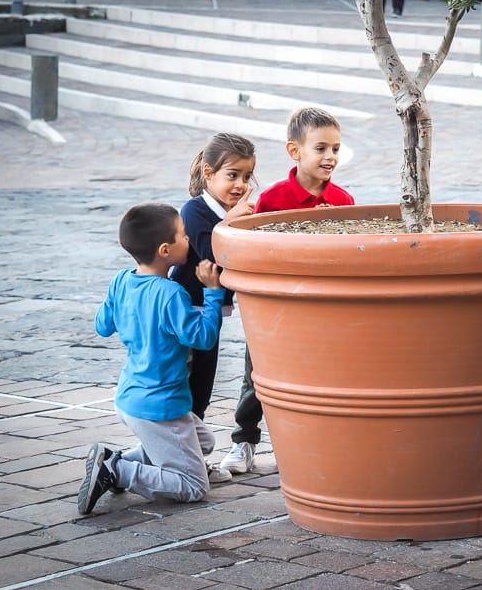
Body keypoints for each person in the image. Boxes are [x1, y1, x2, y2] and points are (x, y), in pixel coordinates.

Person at [220, 107, 355, 474]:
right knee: (257, 373)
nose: (330, 157)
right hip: (275, 308)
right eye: (321, 148)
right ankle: (244, 440)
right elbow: (256, 249)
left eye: (336, 149)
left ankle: (317, 444)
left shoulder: (343, 202)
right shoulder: (272, 200)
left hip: (322, 308)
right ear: (295, 152)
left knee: (323, 377)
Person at [79, 203, 230, 516]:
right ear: (165, 250)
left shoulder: (121, 281)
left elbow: (103, 326)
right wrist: (213, 292)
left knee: (204, 442)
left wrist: (118, 301)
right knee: (193, 486)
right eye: (184, 236)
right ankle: (117, 471)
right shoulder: (171, 293)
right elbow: (202, 338)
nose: (189, 240)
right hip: (160, 405)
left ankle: (114, 458)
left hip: (130, 397)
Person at [170, 133, 256, 421]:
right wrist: (234, 220)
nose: (240, 185)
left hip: (213, 304)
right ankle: (177, 438)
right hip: (187, 305)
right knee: (186, 374)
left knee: (206, 375)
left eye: (246, 176)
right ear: (209, 173)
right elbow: (211, 251)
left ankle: (195, 437)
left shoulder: (235, 211)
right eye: (232, 175)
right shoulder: (195, 208)